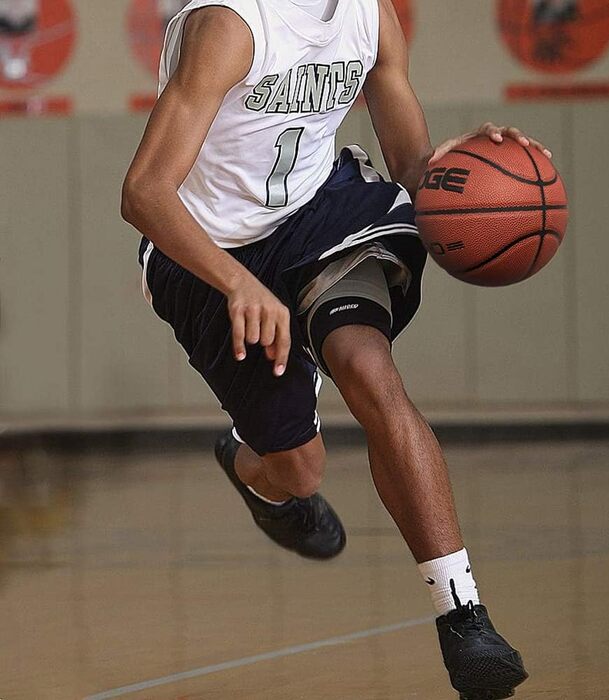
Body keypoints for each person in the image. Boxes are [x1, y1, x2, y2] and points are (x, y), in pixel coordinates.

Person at [121, 1, 552, 697]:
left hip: (323, 213)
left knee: (367, 369)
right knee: (301, 470)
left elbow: (413, 163)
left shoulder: (370, 15)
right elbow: (144, 192)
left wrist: (470, 169)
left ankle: (464, 615)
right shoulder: (231, 25)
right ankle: (250, 464)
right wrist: (238, 284)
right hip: (206, 250)